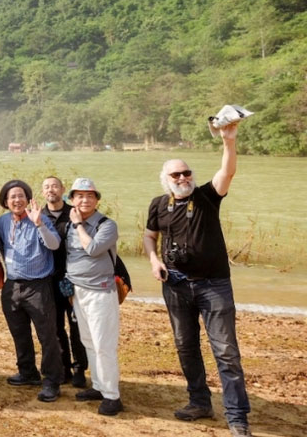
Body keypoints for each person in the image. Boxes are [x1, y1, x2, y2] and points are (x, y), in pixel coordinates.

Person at [142, 123, 252, 437]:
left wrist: (228, 142)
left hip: (213, 284)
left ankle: (237, 417)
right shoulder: (158, 205)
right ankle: (200, 401)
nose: (182, 178)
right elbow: (150, 235)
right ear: (166, 180)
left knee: (226, 351)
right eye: (175, 175)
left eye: (186, 172)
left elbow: (227, 172)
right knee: (185, 346)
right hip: (174, 285)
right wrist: (153, 259)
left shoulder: (205, 196)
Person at [0, 180, 63, 403]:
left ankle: (52, 381)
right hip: (12, 285)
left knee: (47, 335)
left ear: (28, 199)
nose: (17, 200)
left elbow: (54, 245)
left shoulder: (39, 218)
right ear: (6, 202)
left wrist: (40, 224)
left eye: (21, 196)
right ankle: (27, 372)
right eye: (12, 197)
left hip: (38, 285)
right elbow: (1, 246)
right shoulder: (2, 222)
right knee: (19, 333)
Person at [64, 177, 122, 416]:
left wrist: (78, 225)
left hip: (100, 291)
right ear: (72, 200)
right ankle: (98, 386)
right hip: (78, 291)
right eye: (79, 196)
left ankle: (112, 396)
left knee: (103, 344)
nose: (84, 200)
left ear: (97, 200)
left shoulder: (107, 225)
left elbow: (94, 249)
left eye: (90, 196)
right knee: (88, 341)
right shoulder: (69, 224)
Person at [40, 176, 87, 388]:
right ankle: (64, 367)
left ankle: (79, 368)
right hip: (49, 278)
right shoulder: (39, 215)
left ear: (63, 189)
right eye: (47, 187)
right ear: (43, 192)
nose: (51, 190)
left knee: (77, 326)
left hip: (75, 278)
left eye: (55, 186)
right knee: (56, 326)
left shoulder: (75, 213)